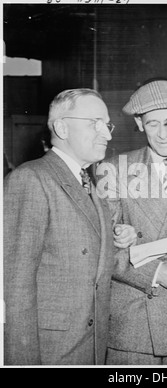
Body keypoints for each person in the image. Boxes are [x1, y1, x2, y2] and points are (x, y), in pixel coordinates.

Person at [96, 80, 167, 365]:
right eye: (153, 123)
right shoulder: (113, 169)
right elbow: (99, 247)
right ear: (140, 124)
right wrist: (155, 273)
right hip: (134, 324)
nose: (164, 134)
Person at [4, 88, 116, 365]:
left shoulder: (87, 183)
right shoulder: (31, 179)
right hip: (53, 351)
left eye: (108, 124)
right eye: (95, 123)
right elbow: (15, 285)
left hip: (88, 348)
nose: (108, 134)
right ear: (62, 127)